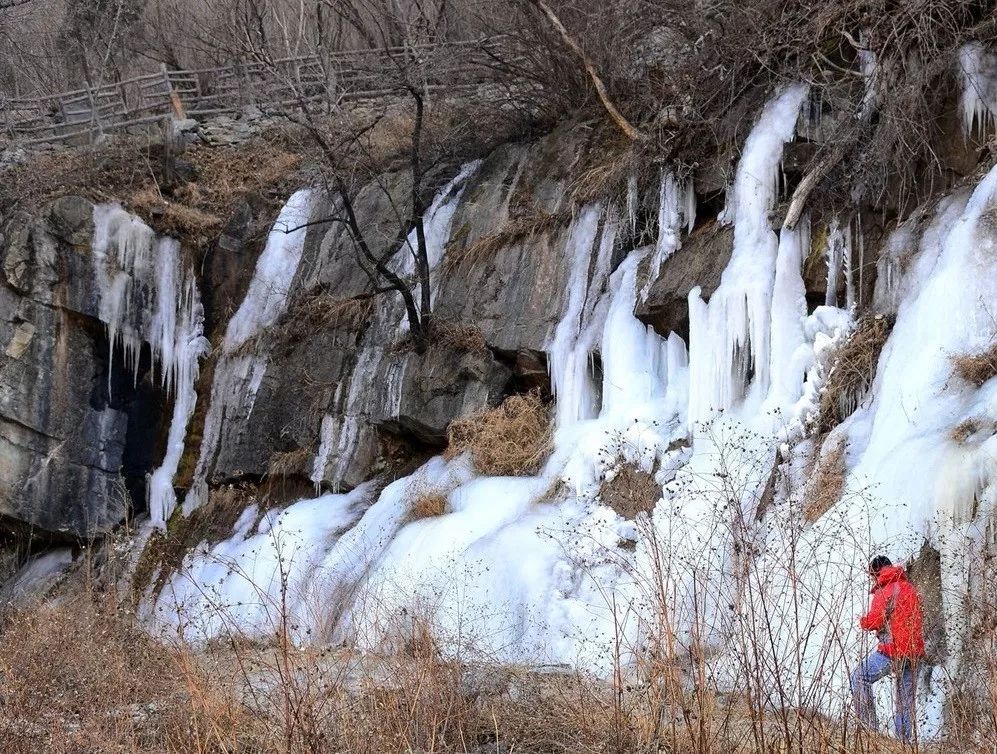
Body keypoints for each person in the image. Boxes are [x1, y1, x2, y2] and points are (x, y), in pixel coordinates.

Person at [850, 555, 925, 743]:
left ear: (876, 573)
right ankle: (904, 743)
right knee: (905, 700)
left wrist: (861, 620)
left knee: (859, 677)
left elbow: (875, 621)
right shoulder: (911, 588)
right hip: (914, 652)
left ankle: (870, 731)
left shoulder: (885, 590)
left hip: (892, 651)